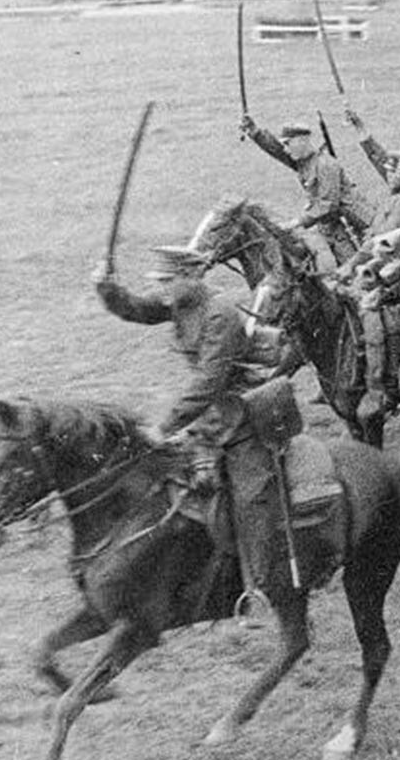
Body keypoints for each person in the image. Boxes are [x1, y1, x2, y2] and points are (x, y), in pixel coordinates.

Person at [92, 245, 288, 618]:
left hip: (240, 413)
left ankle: (259, 587)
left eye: (168, 281)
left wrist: (166, 426)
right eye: (161, 282)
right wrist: (108, 289)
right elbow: (138, 309)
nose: (163, 289)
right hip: (207, 415)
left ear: (191, 277)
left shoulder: (221, 313)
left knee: (251, 495)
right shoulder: (182, 302)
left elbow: (211, 380)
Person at [338, 108, 400, 418]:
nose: (386, 174)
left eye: (393, 171)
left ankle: (384, 389)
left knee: (373, 318)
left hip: (399, 274)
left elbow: (381, 244)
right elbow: (370, 243)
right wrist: (349, 265)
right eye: (387, 171)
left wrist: (354, 266)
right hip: (375, 267)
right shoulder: (392, 197)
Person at [239, 115, 373, 267]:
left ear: (302, 141)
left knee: (358, 270)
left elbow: (327, 204)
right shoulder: (304, 162)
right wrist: (255, 132)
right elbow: (278, 150)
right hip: (334, 227)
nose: (285, 150)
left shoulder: (325, 165)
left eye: (288, 144)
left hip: (357, 225)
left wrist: (296, 223)